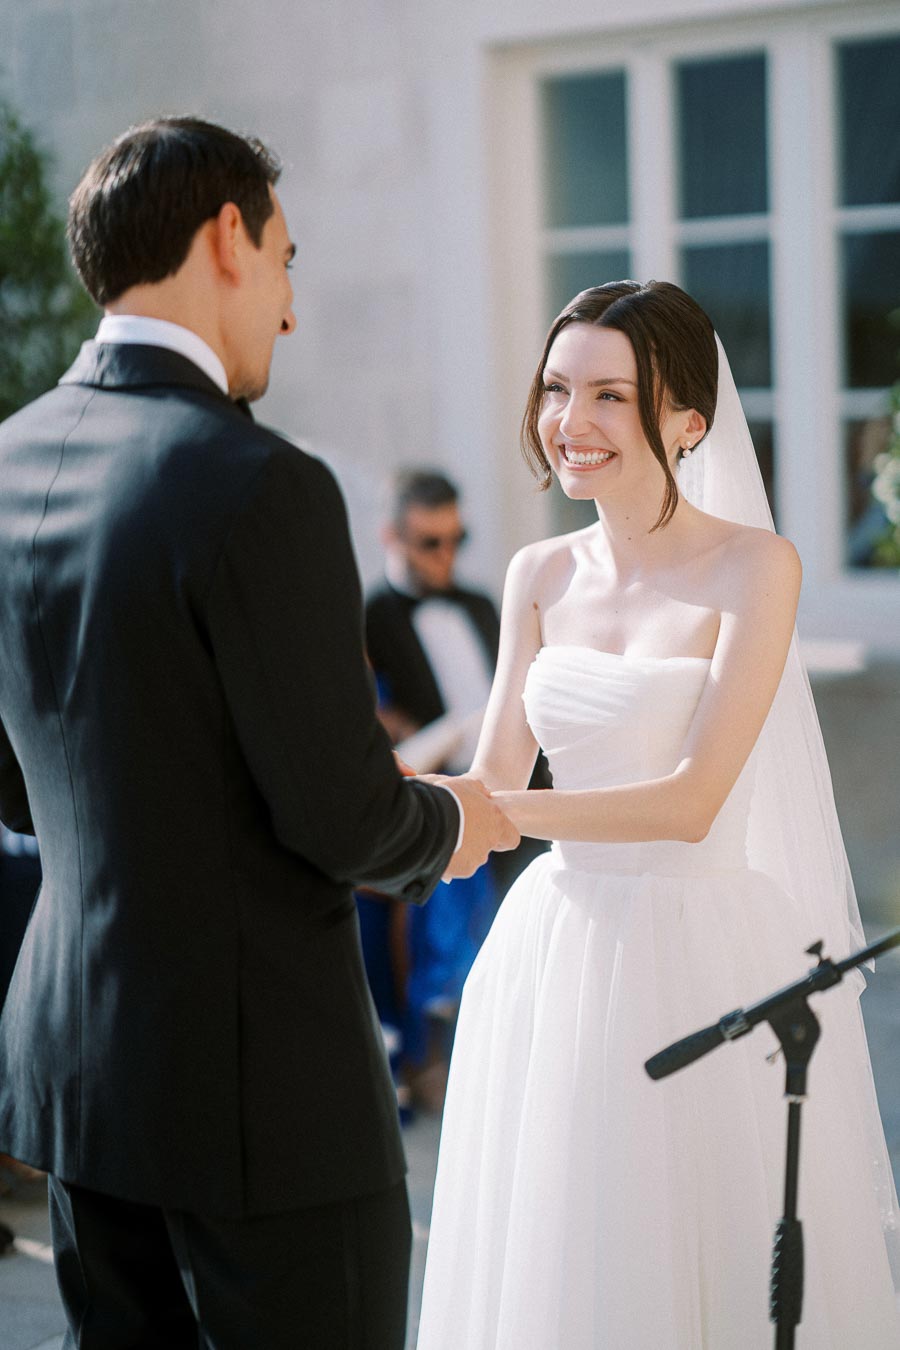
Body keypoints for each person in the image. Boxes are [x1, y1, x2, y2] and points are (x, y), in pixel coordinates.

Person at [0, 116, 518, 1350]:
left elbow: (21, 792)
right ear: (227, 238)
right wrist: (459, 820)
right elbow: (347, 817)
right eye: (288, 261)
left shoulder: (9, 461)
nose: (289, 310)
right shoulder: (259, 482)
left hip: (80, 1083)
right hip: (265, 1103)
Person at [416, 280, 900, 1348]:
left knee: (695, 1249)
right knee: (559, 1247)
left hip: (700, 949)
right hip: (550, 949)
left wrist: (497, 813)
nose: (571, 424)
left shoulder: (754, 568)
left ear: (688, 419)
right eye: (555, 390)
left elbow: (690, 803)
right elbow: (492, 787)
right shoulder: (536, 573)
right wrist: (390, 811)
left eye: (607, 396)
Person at [362, 470, 547, 1110]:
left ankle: (526, 1042)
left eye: (455, 540)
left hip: (524, 788)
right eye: (428, 543)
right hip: (433, 797)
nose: (446, 557)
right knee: (449, 882)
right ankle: (435, 1049)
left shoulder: (479, 606)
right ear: (391, 537)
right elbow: (371, 727)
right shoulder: (367, 618)